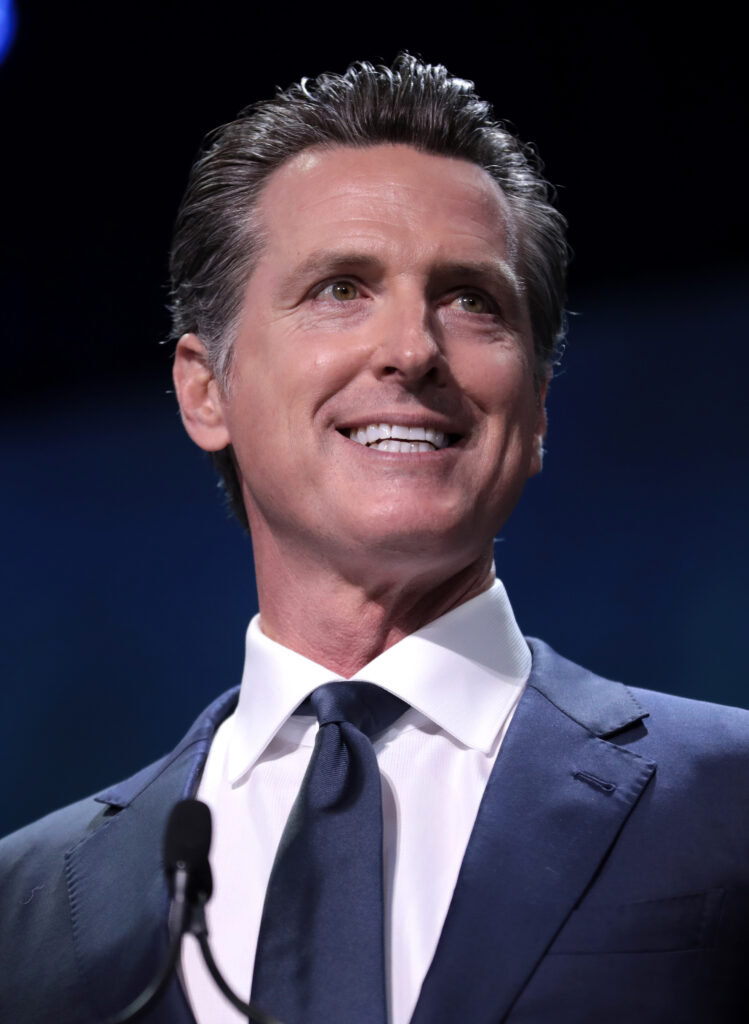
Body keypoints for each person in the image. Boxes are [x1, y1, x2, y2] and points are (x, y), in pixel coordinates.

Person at [1, 54, 748, 1024]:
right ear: (204, 388)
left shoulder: (728, 797)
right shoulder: (26, 906)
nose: (410, 347)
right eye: (340, 288)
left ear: (535, 410)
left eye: (471, 299)